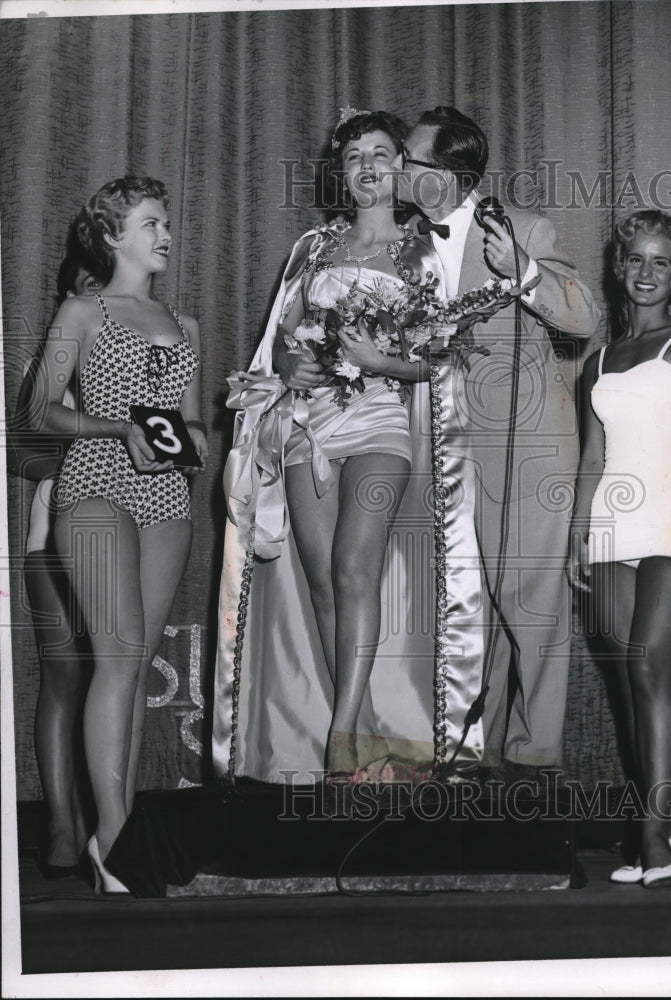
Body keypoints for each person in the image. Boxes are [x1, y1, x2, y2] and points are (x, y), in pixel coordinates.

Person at [214, 109, 452, 787]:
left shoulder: (422, 250)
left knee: (355, 567)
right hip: (308, 423)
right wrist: (291, 366)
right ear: (341, 174)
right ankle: (364, 731)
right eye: (355, 158)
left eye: (381, 154)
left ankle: (342, 737)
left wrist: (383, 359)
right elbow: (280, 343)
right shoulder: (312, 249)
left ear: (401, 169)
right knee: (320, 578)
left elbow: (439, 361)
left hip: (380, 419)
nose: (369, 167)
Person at [392, 107, 601, 778]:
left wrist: (523, 270)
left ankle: (535, 764)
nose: (397, 171)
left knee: (533, 608)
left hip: (529, 444)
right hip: (445, 450)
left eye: (410, 161)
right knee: (467, 609)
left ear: (448, 177)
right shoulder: (406, 246)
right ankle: (472, 757)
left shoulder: (525, 229)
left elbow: (585, 318)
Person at [32, 176, 206, 892]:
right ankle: (109, 841)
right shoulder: (83, 310)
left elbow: (192, 429)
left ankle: (123, 837)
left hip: (166, 495)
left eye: (165, 221)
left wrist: (184, 444)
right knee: (117, 658)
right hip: (96, 484)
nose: (164, 233)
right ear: (111, 237)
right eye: (149, 222)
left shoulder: (184, 325)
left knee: (134, 676)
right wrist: (120, 429)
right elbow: (39, 413)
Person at [567, 209, 671, 887]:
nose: (645, 272)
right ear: (619, 266)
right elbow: (592, 456)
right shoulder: (599, 361)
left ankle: (653, 843)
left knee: (647, 669)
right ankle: (668, 823)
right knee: (632, 685)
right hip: (611, 522)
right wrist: (579, 529)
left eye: (660, 261)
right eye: (635, 258)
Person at [12, 244, 106, 877]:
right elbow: (22, 443)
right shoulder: (49, 361)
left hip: (126, 531)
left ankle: (112, 823)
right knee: (66, 674)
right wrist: (63, 470)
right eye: (84, 287)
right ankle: (63, 825)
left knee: (115, 676)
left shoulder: (147, 355)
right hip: (55, 541)